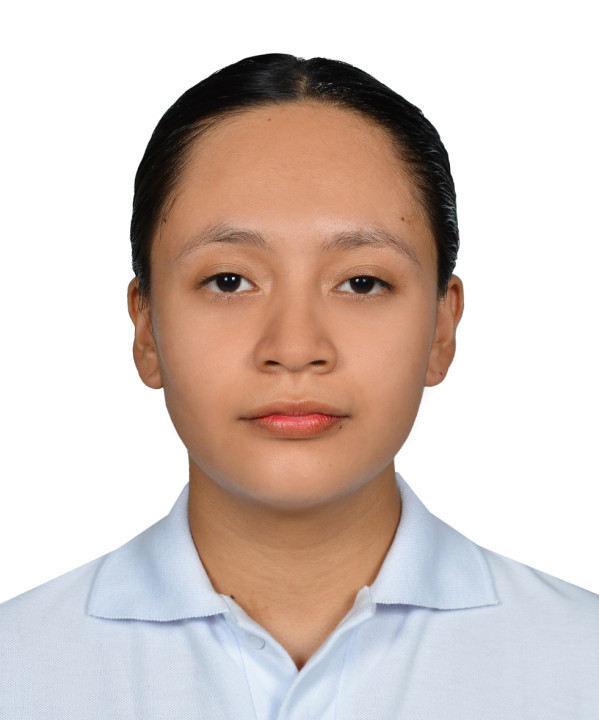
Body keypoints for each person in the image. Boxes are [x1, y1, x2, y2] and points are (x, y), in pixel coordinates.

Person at [1, 53, 597, 719]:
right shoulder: (17, 668)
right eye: (229, 281)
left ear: (440, 329)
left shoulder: (581, 663)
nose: (293, 348)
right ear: (147, 330)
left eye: (362, 282)